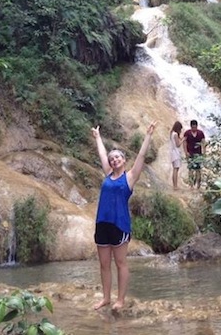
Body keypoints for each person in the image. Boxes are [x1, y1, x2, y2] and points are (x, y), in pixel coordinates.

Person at [91, 121, 157, 311]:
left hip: (120, 225)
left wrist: (148, 135)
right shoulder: (108, 174)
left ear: (124, 161)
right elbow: (102, 154)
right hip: (102, 223)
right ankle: (106, 298)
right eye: (112, 159)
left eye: (118, 157)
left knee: (120, 263)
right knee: (104, 264)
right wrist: (97, 138)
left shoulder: (129, 177)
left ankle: (120, 299)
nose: (114, 160)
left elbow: (142, 156)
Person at [183, 119, 205, 189]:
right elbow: (184, 142)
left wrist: (204, 153)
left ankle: (198, 185)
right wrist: (186, 152)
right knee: (190, 170)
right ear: (191, 126)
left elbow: (203, 143)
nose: (194, 129)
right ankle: (191, 185)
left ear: (197, 126)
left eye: (195, 127)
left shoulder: (200, 133)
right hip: (190, 153)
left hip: (198, 154)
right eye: (193, 127)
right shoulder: (187, 133)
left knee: (198, 170)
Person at [170, 121, 184, 190]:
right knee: (176, 169)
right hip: (176, 153)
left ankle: (174, 185)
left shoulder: (172, 133)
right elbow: (178, 145)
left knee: (175, 169)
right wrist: (183, 140)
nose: (180, 130)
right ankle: (175, 186)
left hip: (173, 153)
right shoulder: (175, 134)